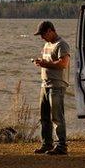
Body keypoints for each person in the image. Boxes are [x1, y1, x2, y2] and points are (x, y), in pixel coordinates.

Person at [32, 20, 70, 156]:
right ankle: (46, 144)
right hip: (45, 84)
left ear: (50, 31)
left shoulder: (62, 44)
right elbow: (49, 62)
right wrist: (41, 62)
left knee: (57, 117)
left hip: (57, 85)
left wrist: (45, 64)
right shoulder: (47, 44)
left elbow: (63, 64)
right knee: (44, 117)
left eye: (43, 34)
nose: (42, 37)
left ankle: (61, 146)